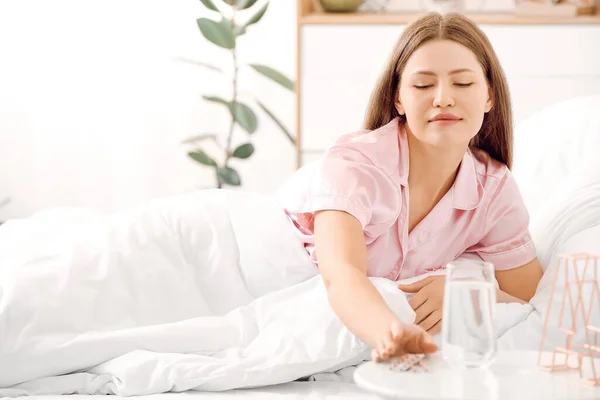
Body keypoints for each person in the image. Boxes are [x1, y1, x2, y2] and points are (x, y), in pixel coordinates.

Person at [276, 12, 544, 362]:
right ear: (399, 98)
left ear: (490, 97)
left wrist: (467, 291)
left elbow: (530, 297)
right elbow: (342, 275)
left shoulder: (493, 189)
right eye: (422, 85)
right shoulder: (357, 165)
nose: (443, 98)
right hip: (240, 257)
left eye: (463, 83)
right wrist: (390, 333)